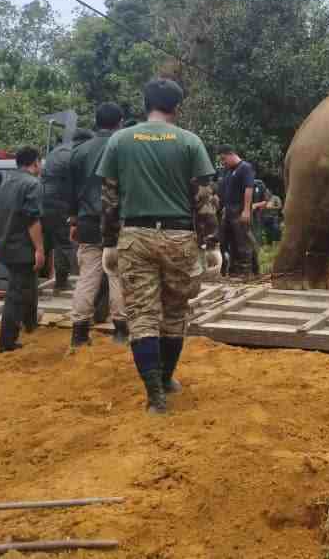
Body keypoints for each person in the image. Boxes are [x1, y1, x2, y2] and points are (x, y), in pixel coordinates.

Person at [99, 78, 220, 415]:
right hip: (179, 238)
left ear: (145, 103)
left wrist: (108, 243)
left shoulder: (119, 141)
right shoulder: (190, 142)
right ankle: (166, 378)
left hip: (134, 237)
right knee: (174, 313)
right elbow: (204, 199)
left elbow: (108, 199)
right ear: (176, 107)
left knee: (141, 317)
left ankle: (155, 397)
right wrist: (212, 243)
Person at [67, 102, 128, 350]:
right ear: (120, 122)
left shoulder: (79, 151)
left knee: (87, 276)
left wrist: (73, 220)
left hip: (87, 223)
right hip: (118, 222)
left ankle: (79, 333)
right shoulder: (124, 147)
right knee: (117, 275)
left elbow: (70, 192)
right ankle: (121, 331)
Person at [0, 146, 45, 353]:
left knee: (28, 284)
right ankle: (7, 342)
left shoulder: (6, 182)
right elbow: (32, 220)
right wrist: (39, 249)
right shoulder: (33, 184)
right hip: (21, 247)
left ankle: (30, 323)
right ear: (35, 162)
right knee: (15, 294)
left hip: (3, 244)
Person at [41, 128, 93, 292]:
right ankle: (61, 282)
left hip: (42, 199)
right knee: (63, 242)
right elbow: (78, 183)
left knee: (46, 241)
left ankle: (33, 278)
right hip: (59, 202)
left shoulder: (57, 151)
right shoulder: (74, 154)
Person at [216, 145, 257, 277]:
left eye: (224, 159)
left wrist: (246, 210)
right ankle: (234, 271)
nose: (223, 162)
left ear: (231, 154)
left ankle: (246, 272)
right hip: (228, 210)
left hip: (239, 208)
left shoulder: (245, 168)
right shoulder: (228, 171)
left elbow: (249, 189)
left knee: (242, 241)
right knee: (228, 241)